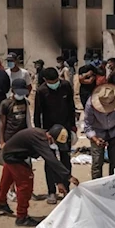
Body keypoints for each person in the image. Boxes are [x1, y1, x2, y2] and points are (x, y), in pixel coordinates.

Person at [0, 125, 80, 227]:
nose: (53, 145)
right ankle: (22, 217)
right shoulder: (41, 140)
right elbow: (52, 160)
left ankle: (1, 202)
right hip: (13, 157)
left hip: (10, 153)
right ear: (50, 137)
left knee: (7, 178)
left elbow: (51, 160)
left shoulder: (41, 135)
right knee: (25, 183)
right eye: (54, 142)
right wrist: (68, 176)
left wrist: (59, 181)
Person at [34, 67, 77, 204]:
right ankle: (51, 191)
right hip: (49, 130)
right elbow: (37, 113)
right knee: (50, 160)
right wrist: (41, 132)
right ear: (45, 81)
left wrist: (73, 126)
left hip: (65, 128)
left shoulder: (65, 86)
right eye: (51, 82)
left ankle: (66, 188)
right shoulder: (41, 91)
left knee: (65, 158)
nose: (54, 83)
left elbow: (71, 106)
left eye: (56, 81)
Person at [0, 78, 32, 148]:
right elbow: (2, 123)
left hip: (24, 135)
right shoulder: (5, 103)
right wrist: (2, 141)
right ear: (12, 91)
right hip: (10, 136)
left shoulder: (25, 102)